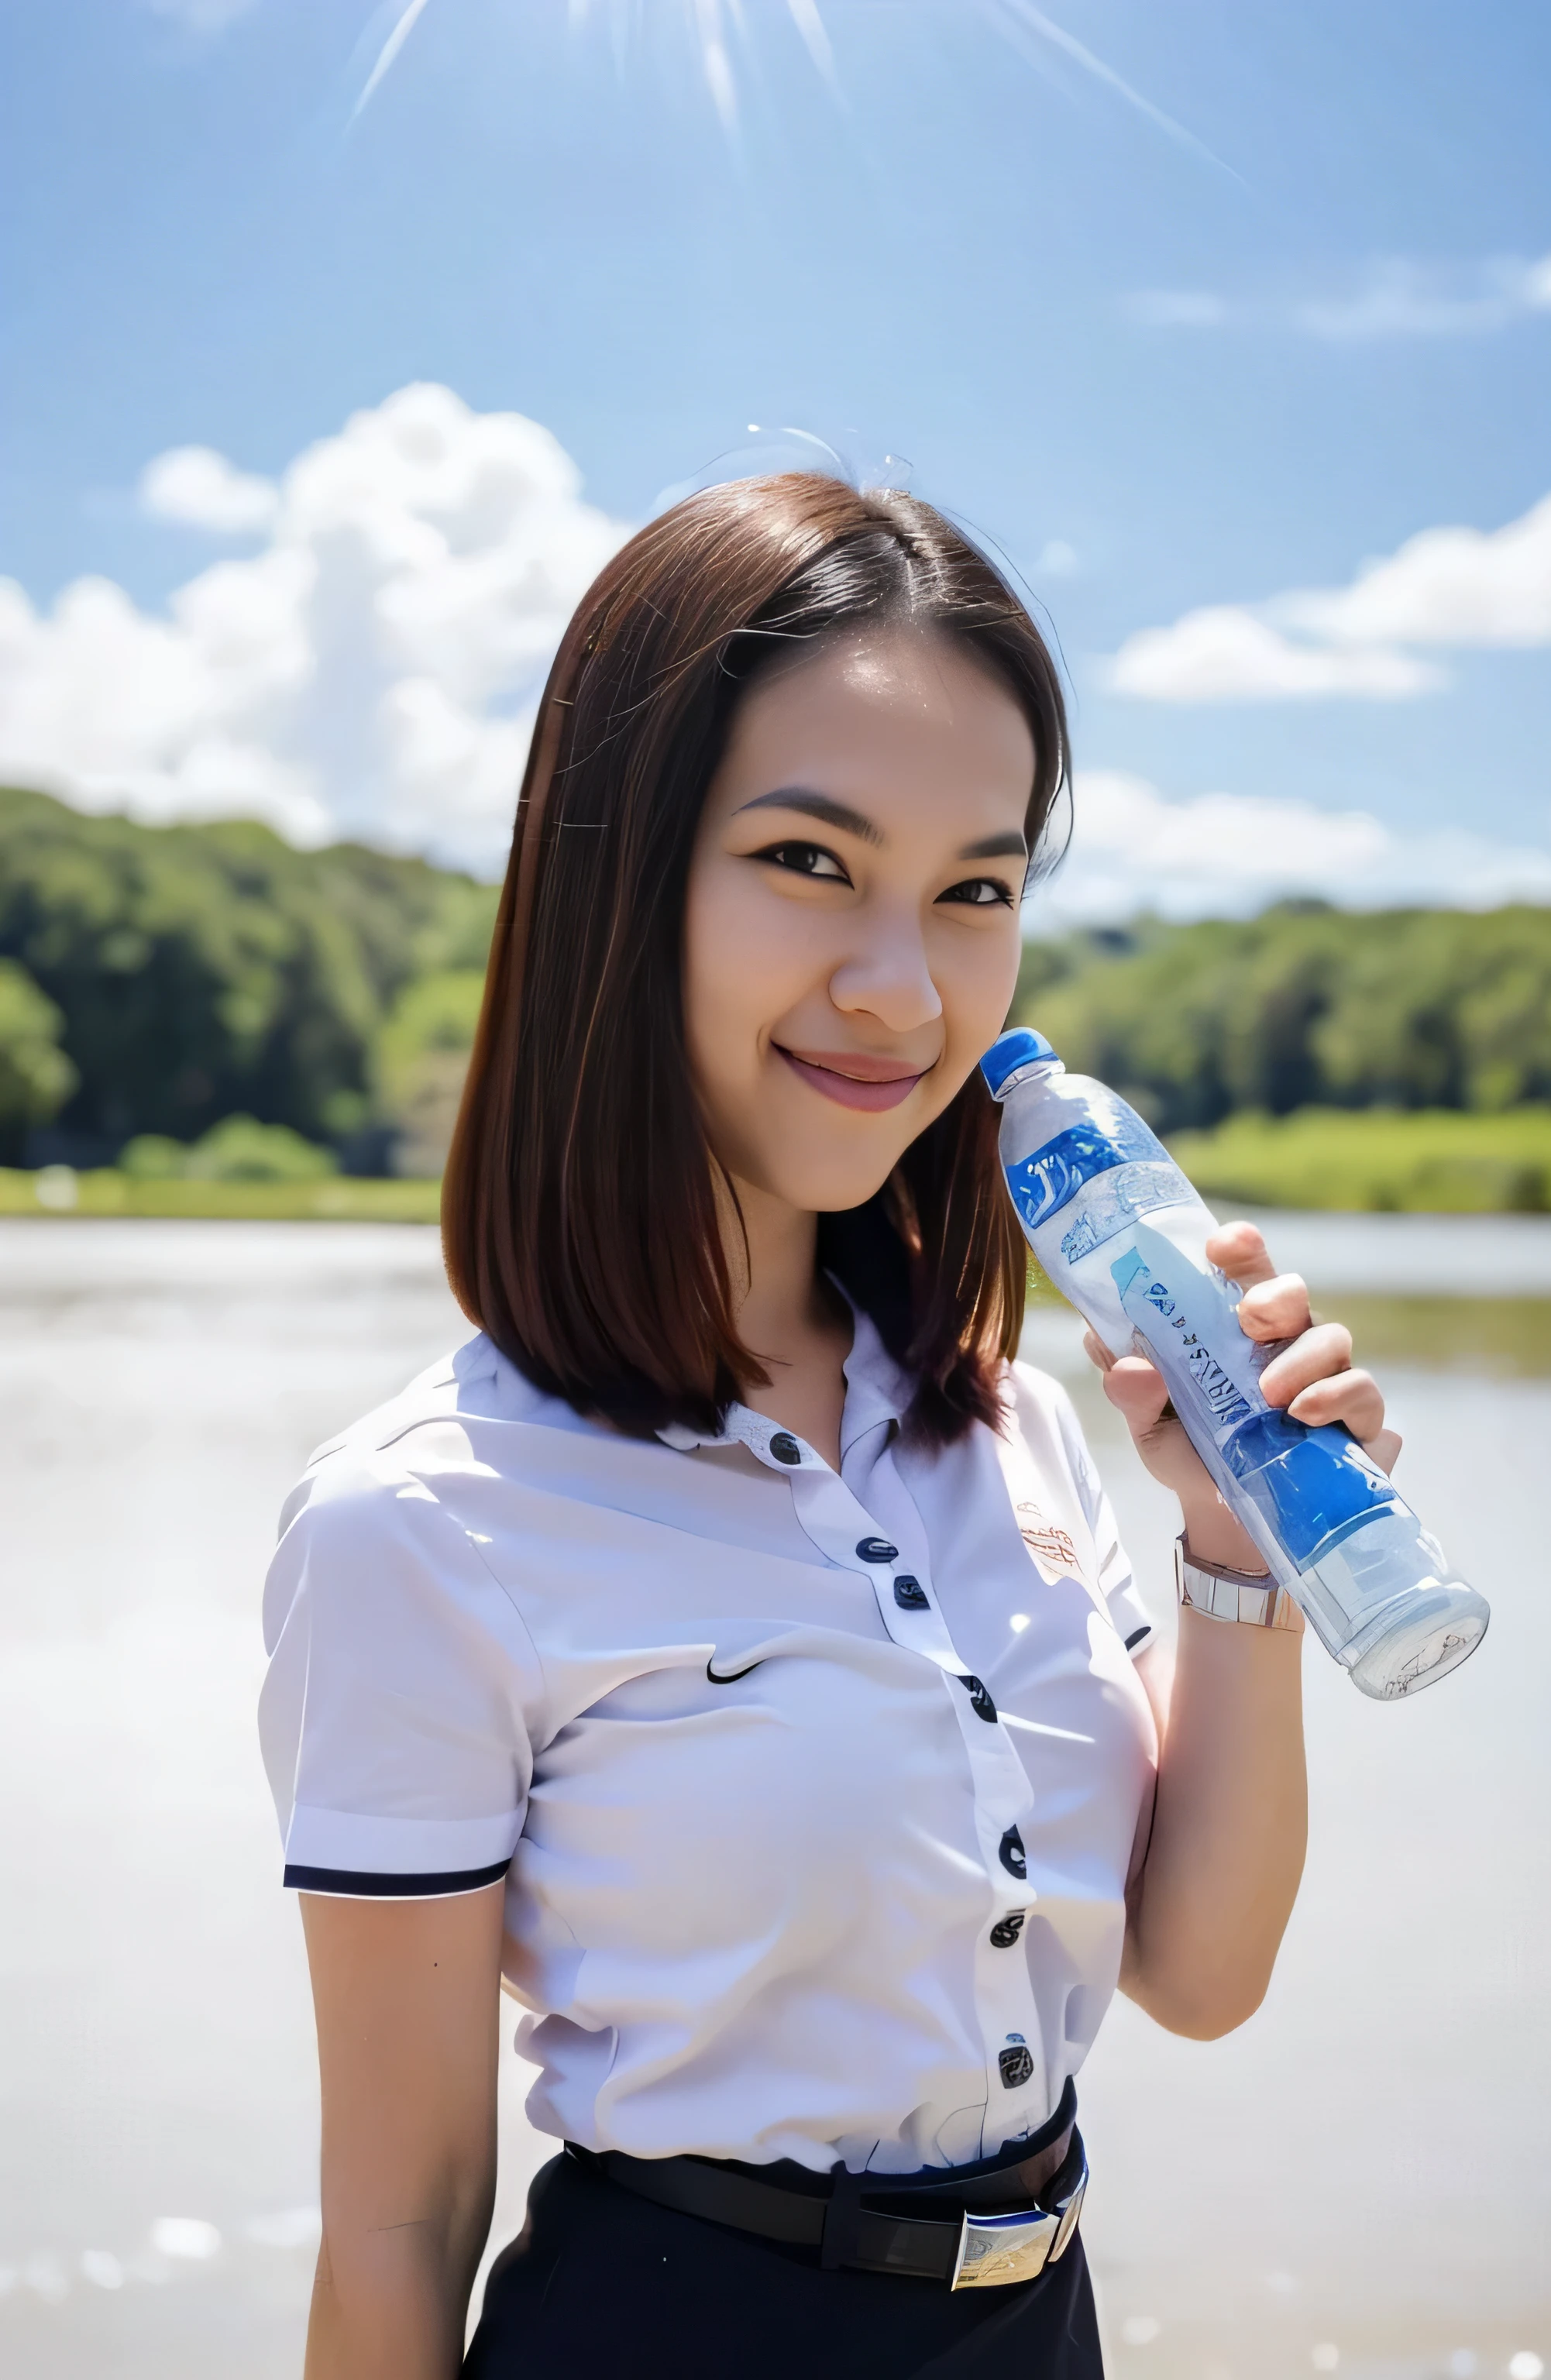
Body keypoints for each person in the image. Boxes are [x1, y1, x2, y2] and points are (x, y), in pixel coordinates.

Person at [260, 476, 1400, 2379]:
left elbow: (1203, 1976)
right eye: (809, 861)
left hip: (1040, 2329)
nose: (903, 989)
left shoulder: (1010, 1428)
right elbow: (397, 2229)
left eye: (976, 890)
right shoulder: (420, 1523)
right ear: (619, 874)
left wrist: (1236, 1541)